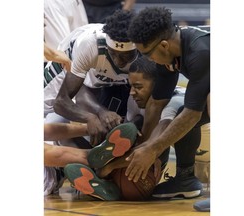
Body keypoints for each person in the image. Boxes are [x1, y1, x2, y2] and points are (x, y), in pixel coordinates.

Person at [63, 56, 187, 200]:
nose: (132, 92)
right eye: (131, 86)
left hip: (191, 148)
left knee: (134, 182)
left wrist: (110, 167)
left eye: (138, 87)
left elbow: (150, 148)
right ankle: (109, 185)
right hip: (150, 144)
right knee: (131, 128)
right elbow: (129, 136)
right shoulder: (134, 100)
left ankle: (106, 180)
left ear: (157, 84)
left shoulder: (175, 103)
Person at [124, 6, 210, 200]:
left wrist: (153, 149)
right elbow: (157, 103)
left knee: (202, 105)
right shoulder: (169, 56)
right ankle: (185, 179)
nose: (147, 59)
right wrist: (145, 145)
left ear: (163, 45)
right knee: (180, 113)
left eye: (146, 54)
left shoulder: (200, 52)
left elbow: (192, 114)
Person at [46, 10, 139, 146]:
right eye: (113, 54)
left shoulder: (147, 52)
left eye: (125, 57)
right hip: (75, 63)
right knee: (51, 122)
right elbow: (62, 101)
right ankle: (83, 155)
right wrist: (94, 115)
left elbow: (152, 103)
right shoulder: (90, 45)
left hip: (115, 80)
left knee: (141, 113)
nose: (119, 62)